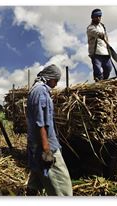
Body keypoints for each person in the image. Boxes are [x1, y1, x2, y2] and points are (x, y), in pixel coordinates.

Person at [26, 64, 72, 196]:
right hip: (47, 147)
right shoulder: (40, 91)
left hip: (38, 146)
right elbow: (40, 123)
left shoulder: (35, 90)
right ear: (50, 77)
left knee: (36, 181)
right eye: (55, 80)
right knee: (63, 188)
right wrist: (47, 151)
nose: (56, 84)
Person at [87, 8, 113, 81]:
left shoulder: (102, 26)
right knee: (97, 69)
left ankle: (104, 81)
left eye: (100, 16)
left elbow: (106, 37)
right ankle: (99, 81)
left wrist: (108, 45)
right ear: (92, 17)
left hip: (105, 52)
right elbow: (94, 32)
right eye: (96, 16)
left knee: (108, 68)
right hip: (96, 53)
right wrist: (99, 34)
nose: (98, 18)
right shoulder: (90, 28)